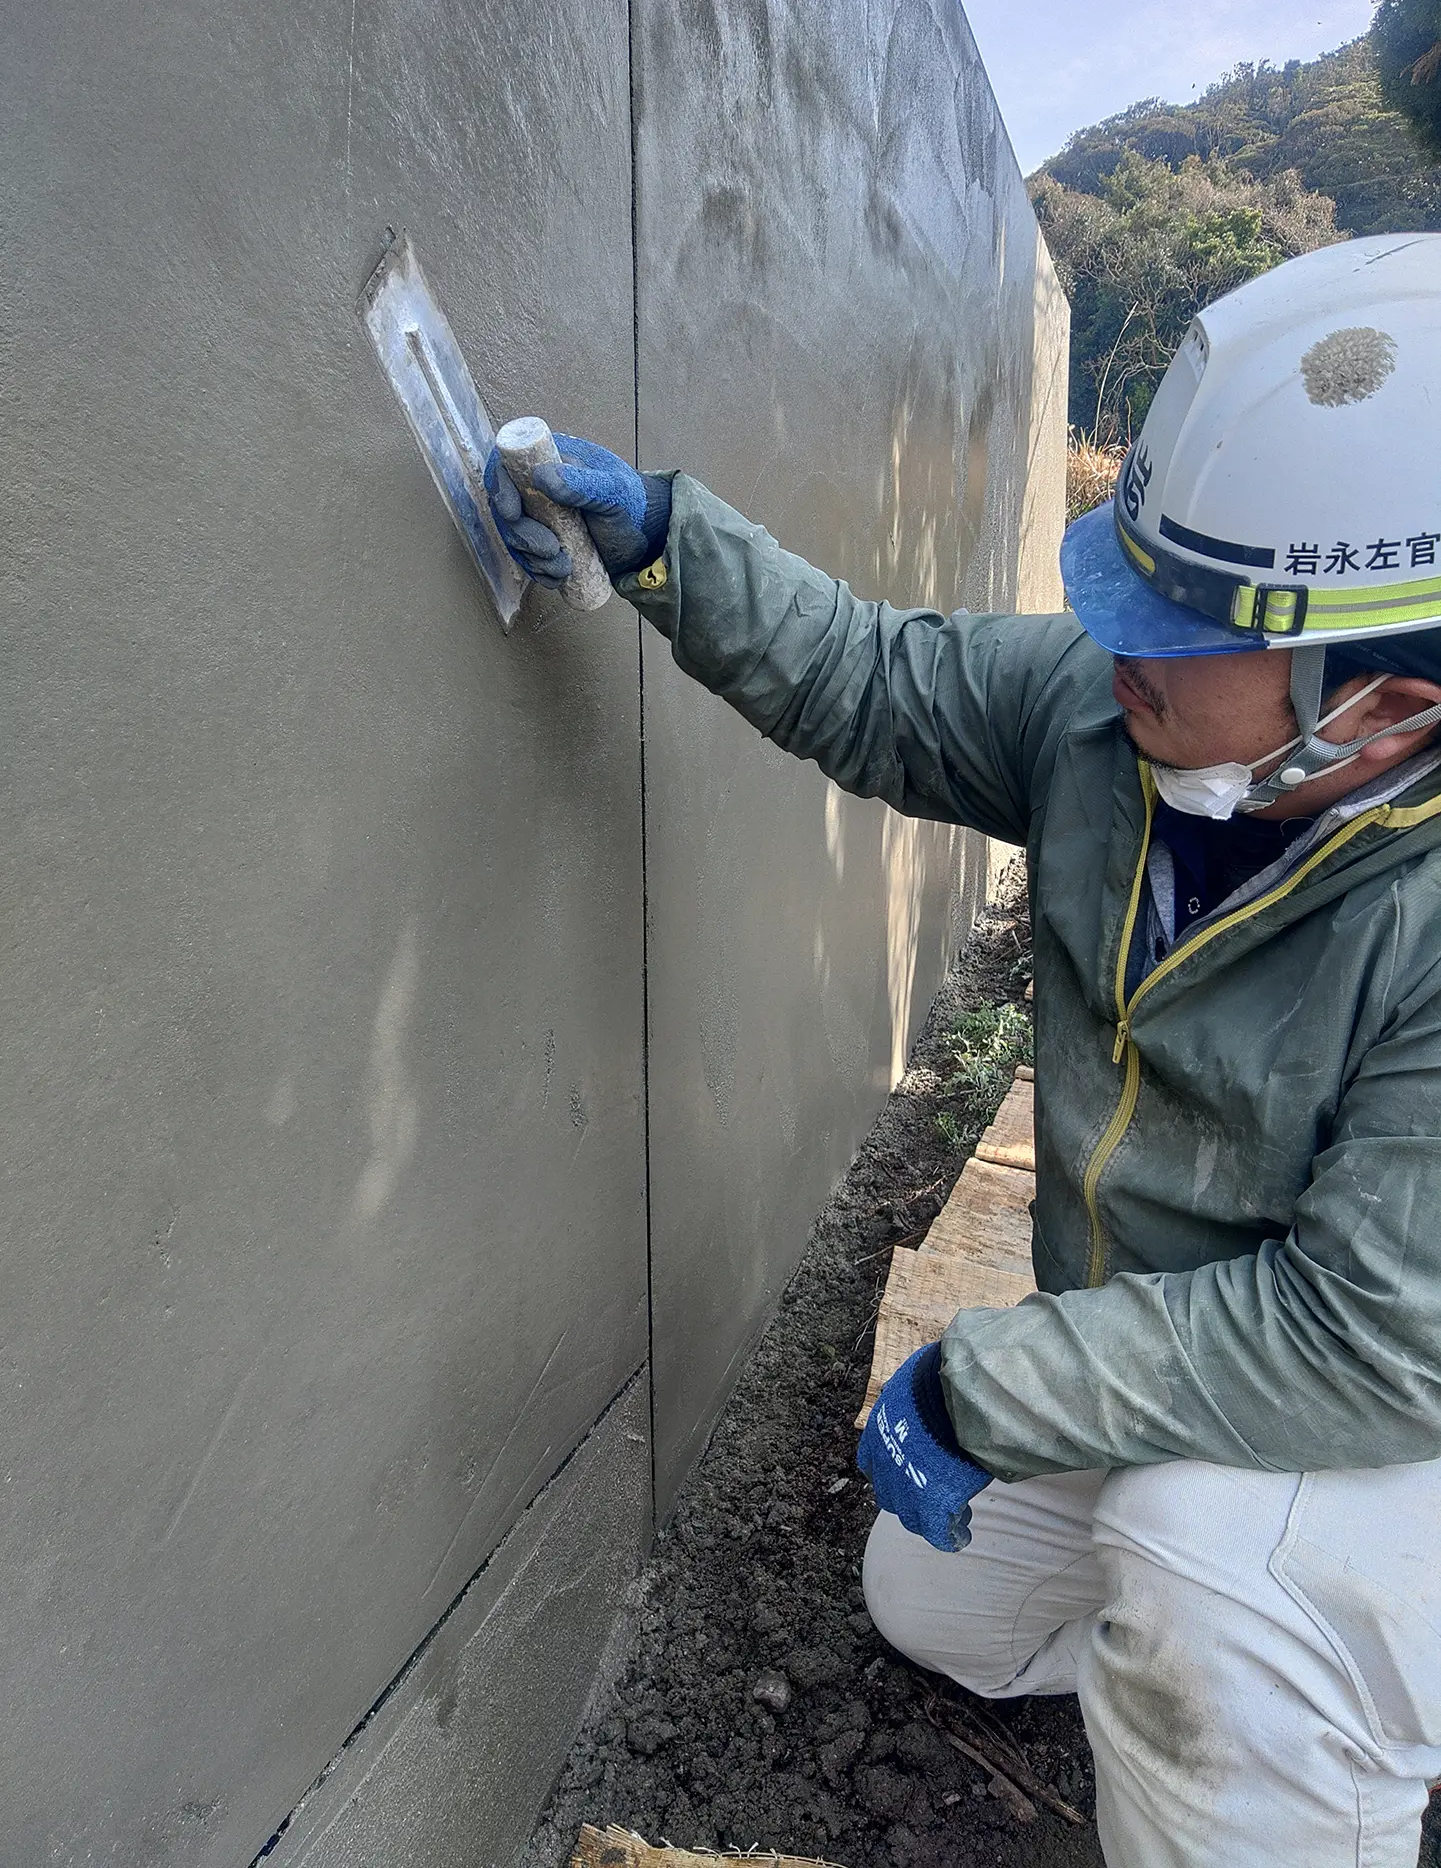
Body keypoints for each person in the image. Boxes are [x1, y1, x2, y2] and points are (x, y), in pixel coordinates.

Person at [486, 234, 1441, 1867]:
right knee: (937, 1600)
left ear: (1385, 705)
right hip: (1180, 1351)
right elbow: (878, 680)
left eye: (1181, 624)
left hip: (1391, 1414)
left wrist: (994, 1381)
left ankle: (1325, 1708)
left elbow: (1363, 1338)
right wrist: (662, 541)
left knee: (1209, 1580)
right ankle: (1265, 1685)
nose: (1122, 640)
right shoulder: (1114, 725)